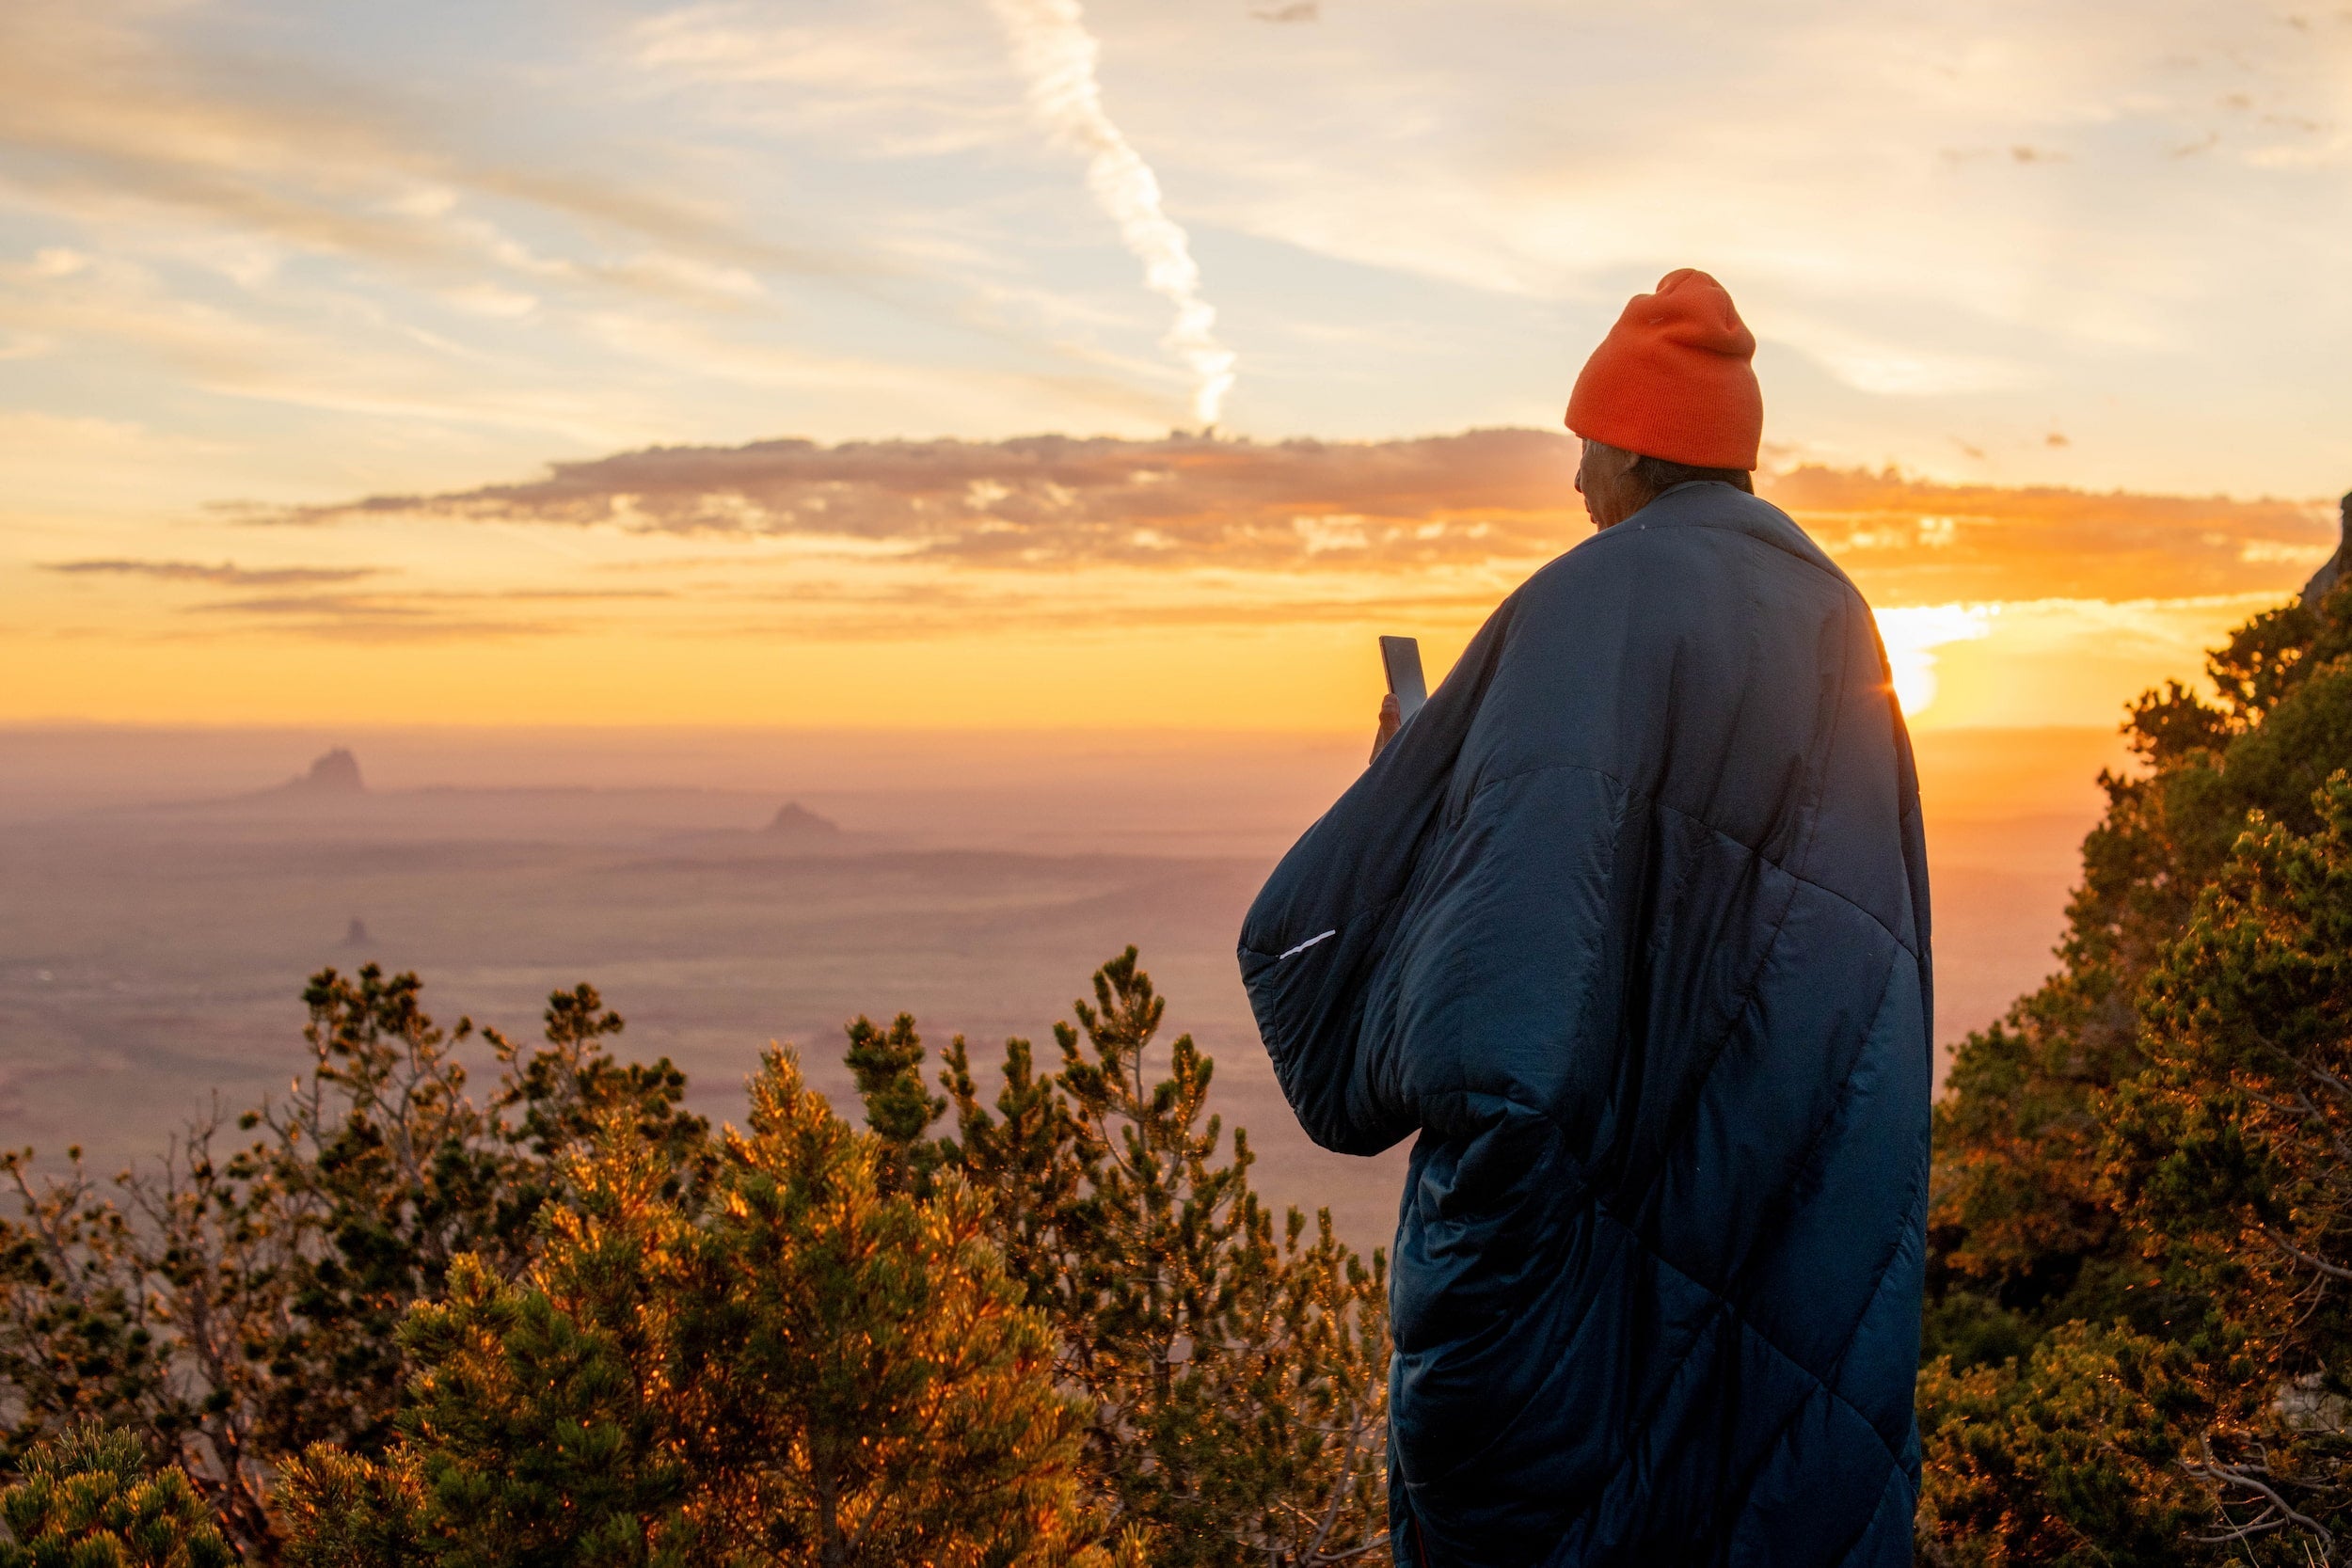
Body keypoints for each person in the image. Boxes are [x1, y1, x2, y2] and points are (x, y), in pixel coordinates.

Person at [1239, 269, 1931, 1566]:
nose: (1573, 484)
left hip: (1584, 1271)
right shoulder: (1839, 616)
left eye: (1582, 449)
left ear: (1632, 446)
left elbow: (1499, 1003)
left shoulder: (1582, 604)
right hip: (1779, 1202)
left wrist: (1414, 790)